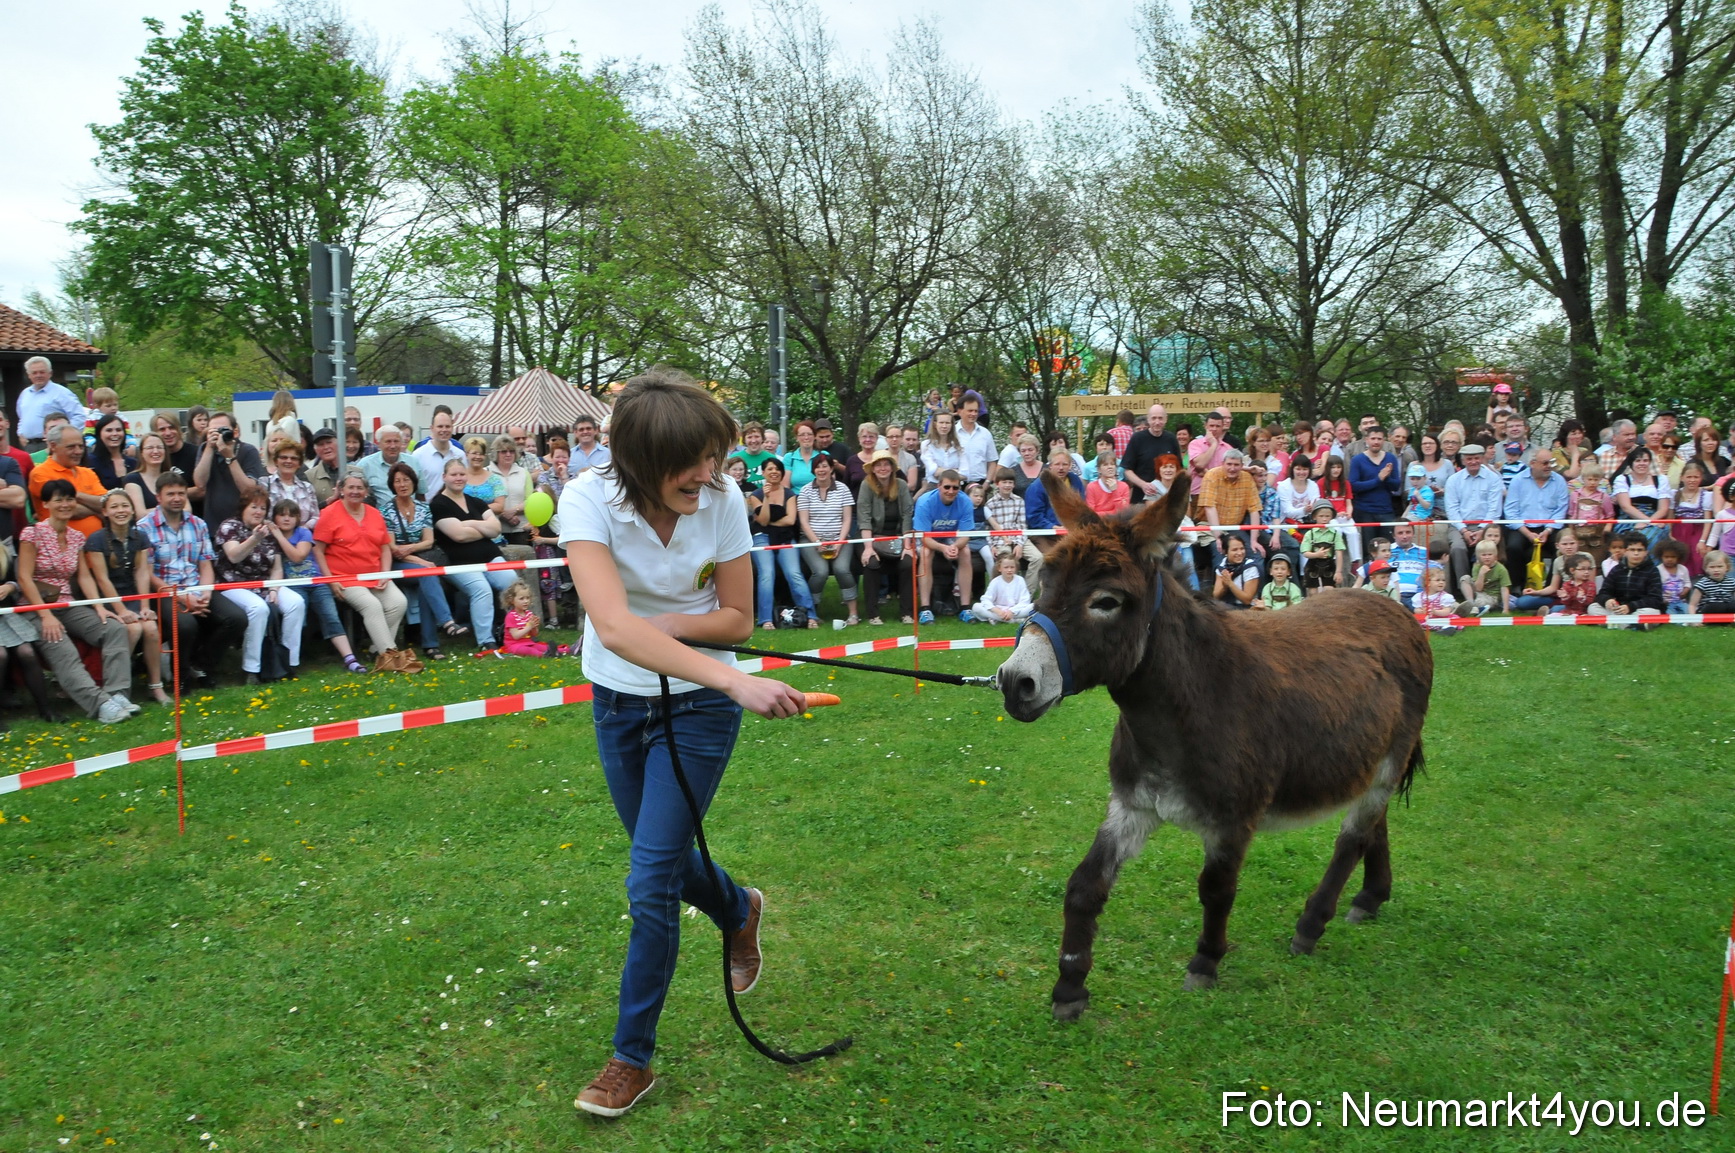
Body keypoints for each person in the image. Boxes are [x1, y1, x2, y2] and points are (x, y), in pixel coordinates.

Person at [554, 370, 805, 1118]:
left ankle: (630, 1059)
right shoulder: (586, 498)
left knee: (649, 880)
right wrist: (731, 679)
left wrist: (674, 636)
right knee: (659, 860)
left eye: (716, 457)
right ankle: (738, 906)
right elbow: (611, 625)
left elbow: (736, 620)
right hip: (618, 701)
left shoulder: (723, 501)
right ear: (638, 461)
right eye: (693, 462)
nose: (711, 475)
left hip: (696, 710)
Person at [17, 479, 135, 723]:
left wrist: (100, 608)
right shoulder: (32, 533)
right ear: (46, 503)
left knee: (113, 628)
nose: (65, 504)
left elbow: (84, 576)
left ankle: (118, 694)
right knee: (62, 646)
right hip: (36, 607)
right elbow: (24, 578)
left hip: (68, 603)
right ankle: (101, 705)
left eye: (69, 499)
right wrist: (45, 615)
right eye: (58, 499)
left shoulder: (77, 537)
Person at [137, 472, 245, 686]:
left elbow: (205, 564)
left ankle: (201, 665)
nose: (177, 498)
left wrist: (205, 592)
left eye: (180, 493)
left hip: (196, 586)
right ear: (158, 497)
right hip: (165, 591)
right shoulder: (144, 527)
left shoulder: (198, 524)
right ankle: (182, 676)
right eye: (170, 494)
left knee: (237, 618)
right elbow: (147, 574)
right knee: (185, 625)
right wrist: (182, 598)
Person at [316, 471, 416, 670]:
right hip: (344, 577)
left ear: (366, 491)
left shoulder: (374, 513)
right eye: (350, 487)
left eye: (359, 488)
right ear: (342, 490)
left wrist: (385, 573)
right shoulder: (329, 513)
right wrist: (330, 580)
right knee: (372, 606)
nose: (355, 491)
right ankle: (391, 656)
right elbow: (318, 550)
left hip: (375, 574)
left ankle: (375, 649)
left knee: (399, 602)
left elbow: (384, 547)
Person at [82, 489, 170, 704]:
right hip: (109, 599)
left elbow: (141, 572)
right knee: (132, 629)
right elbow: (102, 579)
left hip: (132, 595)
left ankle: (155, 686)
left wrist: (144, 606)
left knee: (150, 627)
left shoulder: (140, 536)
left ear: (132, 509)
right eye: (114, 507)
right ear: (105, 512)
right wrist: (121, 611)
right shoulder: (96, 540)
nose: (120, 511)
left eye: (124, 506)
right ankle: (116, 687)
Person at [215, 491, 307, 682]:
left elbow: (277, 567)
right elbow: (234, 556)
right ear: (243, 508)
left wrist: (274, 589)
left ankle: (287, 663)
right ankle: (252, 669)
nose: (258, 512)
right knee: (258, 609)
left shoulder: (269, 529)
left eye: (263, 508)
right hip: (233, 584)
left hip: (264, 583)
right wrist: (255, 539)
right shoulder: (229, 526)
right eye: (254, 507)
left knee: (296, 603)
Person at [269, 499, 365, 674]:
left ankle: (350, 659)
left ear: (298, 518)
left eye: (291, 515)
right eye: (281, 515)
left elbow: (297, 556)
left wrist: (279, 537)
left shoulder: (304, 533)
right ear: (274, 517)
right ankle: (290, 660)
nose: (286, 519)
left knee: (331, 617)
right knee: (299, 618)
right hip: (292, 585)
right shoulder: (269, 538)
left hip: (316, 582)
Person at [382, 461, 467, 659]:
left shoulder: (423, 508)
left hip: (418, 560)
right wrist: (419, 560)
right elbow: (393, 549)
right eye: (398, 481)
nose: (403, 484)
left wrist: (412, 549)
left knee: (426, 581)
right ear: (392, 485)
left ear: (414, 483)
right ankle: (446, 623)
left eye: (406, 480)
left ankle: (431, 644)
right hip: (396, 564)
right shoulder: (386, 510)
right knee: (427, 573)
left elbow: (428, 542)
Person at [430, 459, 516, 650]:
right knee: (481, 589)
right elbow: (458, 535)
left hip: (490, 556)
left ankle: (512, 631)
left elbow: (496, 529)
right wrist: (482, 527)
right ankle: (486, 640)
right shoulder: (438, 505)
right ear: (444, 477)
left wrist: (469, 523)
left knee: (511, 581)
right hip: (459, 563)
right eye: (453, 474)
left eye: (461, 474)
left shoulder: (476, 502)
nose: (458, 478)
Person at [747, 457, 816, 630]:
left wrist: (770, 521)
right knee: (766, 574)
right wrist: (767, 498)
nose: (774, 472)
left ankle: (810, 615)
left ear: (782, 473)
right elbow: (762, 521)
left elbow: (791, 520)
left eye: (777, 469)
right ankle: (765, 619)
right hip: (761, 536)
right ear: (763, 473)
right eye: (769, 469)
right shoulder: (756, 495)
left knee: (794, 573)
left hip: (784, 537)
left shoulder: (789, 494)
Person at [796, 452, 857, 624]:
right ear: (813, 470)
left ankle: (853, 612)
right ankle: (812, 612)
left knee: (842, 569)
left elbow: (847, 519)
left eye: (825, 466)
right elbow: (804, 522)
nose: (821, 470)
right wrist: (817, 542)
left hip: (840, 538)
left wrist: (839, 542)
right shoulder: (806, 490)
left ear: (831, 468)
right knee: (820, 572)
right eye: (818, 466)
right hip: (811, 539)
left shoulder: (843, 489)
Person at [856, 449, 914, 625]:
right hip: (871, 537)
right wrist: (868, 548)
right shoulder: (866, 485)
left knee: (907, 563)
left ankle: (907, 613)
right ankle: (873, 614)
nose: (883, 468)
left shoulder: (902, 485)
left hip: (896, 537)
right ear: (873, 469)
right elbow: (864, 518)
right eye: (878, 465)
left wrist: (908, 546)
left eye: (886, 464)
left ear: (892, 467)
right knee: (871, 563)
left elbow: (907, 515)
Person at [914, 469, 980, 622]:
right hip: (928, 536)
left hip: (950, 537)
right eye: (947, 487)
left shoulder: (964, 502)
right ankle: (925, 609)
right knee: (926, 553)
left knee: (966, 552)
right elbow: (924, 537)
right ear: (939, 486)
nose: (951, 491)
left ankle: (965, 607)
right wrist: (943, 548)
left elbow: (965, 534)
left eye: (955, 488)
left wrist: (955, 546)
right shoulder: (925, 502)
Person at [1502, 446, 1570, 586]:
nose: (1549, 466)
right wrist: (1527, 533)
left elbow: (1561, 510)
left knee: (1562, 546)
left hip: (1550, 527)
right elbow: (1510, 511)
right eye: (1545, 463)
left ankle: (1552, 586)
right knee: (1514, 547)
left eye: (1551, 462)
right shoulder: (1518, 481)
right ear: (1532, 464)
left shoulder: (1559, 481)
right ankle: (1516, 587)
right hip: (1522, 526)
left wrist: (1548, 530)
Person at [29, 424, 108, 536]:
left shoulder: (88, 473)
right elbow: (68, 509)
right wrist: (98, 511)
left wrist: (73, 495)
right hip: (58, 546)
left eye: (81, 446)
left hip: (95, 548)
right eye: (71, 447)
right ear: (53, 446)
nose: (78, 451)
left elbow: (106, 503)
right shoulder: (40, 473)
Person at [195, 411, 266, 537]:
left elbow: (249, 489)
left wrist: (230, 457)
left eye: (223, 430)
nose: (220, 435)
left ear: (235, 431)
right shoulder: (205, 449)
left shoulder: (248, 451)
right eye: (214, 431)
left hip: (243, 527)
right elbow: (200, 483)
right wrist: (209, 449)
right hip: (213, 527)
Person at [1443, 442, 1503, 589]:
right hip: (1459, 525)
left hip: (1487, 524)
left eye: (1476, 458)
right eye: (1469, 459)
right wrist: (1464, 530)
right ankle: (1465, 589)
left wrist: (1482, 529)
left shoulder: (1493, 478)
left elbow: (1494, 508)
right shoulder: (1453, 480)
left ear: (1482, 458)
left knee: (1489, 546)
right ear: (1463, 461)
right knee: (1458, 548)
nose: (1473, 462)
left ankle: (1490, 588)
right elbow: (1452, 509)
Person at [981, 466, 1043, 591]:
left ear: (1014, 485)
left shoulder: (1019, 501)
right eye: (1004, 482)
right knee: (1007, 559)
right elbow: (988, 528)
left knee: (1038, 558)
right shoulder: (990, 504)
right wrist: (992, 545)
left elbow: (1022, 525)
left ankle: (1027, 594)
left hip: (1019, 537)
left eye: (1010, 483)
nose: (1007, 485)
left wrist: (1019, 544)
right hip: (1000, 540)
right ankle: (1005, 593)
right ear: (997, 484)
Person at [1589, 533, 1666, 626]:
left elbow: (1655, 599)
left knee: (1653, 613)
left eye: (1640, 550)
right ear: (1625, 551)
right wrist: (1607, 601)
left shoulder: (1652, 571)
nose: (1636, 553)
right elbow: (1603, 593)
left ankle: (1616, 624)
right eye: (1632, 550)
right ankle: (1628, 625)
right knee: (1593, 608)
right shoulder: (1616, 570)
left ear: (1646, 552)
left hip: (1639, 610)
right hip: (1619, 610)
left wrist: (1631, 607)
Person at [15, 357, 86, 451]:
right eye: (34, 373)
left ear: (50, 373)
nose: (38, 375)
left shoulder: (62, 393)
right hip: (29, 446)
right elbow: (22, 418)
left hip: (53, 445)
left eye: (42, 372)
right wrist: (20, 433)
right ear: (29, 375)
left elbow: (79, 416)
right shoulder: (25, 394)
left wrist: (67, 437)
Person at [1025, 448, 1086, 556]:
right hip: (1044, 533)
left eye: (1065, 464)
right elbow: (1034, 517)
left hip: (1072, 532)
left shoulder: (1075, 481)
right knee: (1056, 557)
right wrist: (1053, 527)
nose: (1061, 468)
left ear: (1070, 465)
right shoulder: (1037, 486)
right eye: (1057, 464)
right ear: (1050, 466)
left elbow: (1082, 507)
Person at [1612, 449, 1673, 551]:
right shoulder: (1622, 479)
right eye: (1638, 461)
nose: (1642, 463)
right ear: (1631, 463)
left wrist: (1648, 522)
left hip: (1654, 518)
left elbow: (1663, 509)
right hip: (1628, 520)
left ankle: (1650, 566)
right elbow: (1625, 507)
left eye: (1645, 460)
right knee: (1630, 542)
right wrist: (1645, 521)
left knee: (1649, 538)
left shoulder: (1661, 479)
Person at [499, 579, 562, 656]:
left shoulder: (529, 614)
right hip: (514, 645)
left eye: (527, 598)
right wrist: (529, 626)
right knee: (529, 650)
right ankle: (545, 655)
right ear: (512, 600)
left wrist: (534, 627)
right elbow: (516, 636)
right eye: (521, 599)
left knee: (542, 647)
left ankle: (568, 650)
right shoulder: (511, 616)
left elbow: (534, 634)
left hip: (528, 642)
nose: (526, 601)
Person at [412, 407, 465, 495]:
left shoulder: (460, 454)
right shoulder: (418, 455)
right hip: (428, 507)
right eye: (440, 426)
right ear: (431, 428)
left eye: (447, 426)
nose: (444, 430)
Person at [358, 425, 413, 507]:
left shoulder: (413, 462)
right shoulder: (365, 465)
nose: (393, 446)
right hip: (379, 516)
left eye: (396, 441)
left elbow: (421, 494)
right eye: (388, 442)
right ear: (379, 444)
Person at [971, 552, 1033, 623]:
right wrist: (997, 611)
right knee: (976, 607)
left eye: (1012, 567)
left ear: (1015, 568)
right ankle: (1012, 620)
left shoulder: (1020, 580)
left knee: (1033, 607)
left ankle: (998, 619)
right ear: (999, 568)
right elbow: (986, 599)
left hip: (1016, 610)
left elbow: (1025, 600)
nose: (1009, 570)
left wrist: (1012, 611)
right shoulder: (995, 582)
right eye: (1006, 567)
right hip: (999, 610)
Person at [121, 432, 172, 519]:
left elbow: (187, 509)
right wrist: (173, 510)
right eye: (150, 448)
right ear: (141, 453)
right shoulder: (132, 479)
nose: (155, 451)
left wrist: (151, 511)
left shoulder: (172, 478)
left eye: (159, 447)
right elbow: (140, 514)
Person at [1457, 538, 1512, 616]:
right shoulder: (1477, 566)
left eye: (1490, 554)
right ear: (1478, 556)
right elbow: (1478, 588)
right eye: (1484, 555)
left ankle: (1477, 608)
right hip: (1479, 591)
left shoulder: (1501, 569)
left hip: (1492, 596)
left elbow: (1505, 589)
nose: (1487, 557)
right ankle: (1470, 603)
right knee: (1464, 578)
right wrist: (1481, 574)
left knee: (1480, 602)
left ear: (1495, 555)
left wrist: (1506, 609)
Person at [1300, 500, 1345, 590]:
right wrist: (1316, 555)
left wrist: (1338, 571)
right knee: (1312, 591)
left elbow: (1339, 553)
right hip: (1312, 564)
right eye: (1321, 516)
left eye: (1327, 516)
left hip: (1329, 564)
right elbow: (1305, 552)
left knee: (1329, 590)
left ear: (1331, 517)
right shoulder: (1310, 534)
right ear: (1314, 517)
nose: (1324, 519)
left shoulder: (1335, 534)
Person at [954, 395, 996, 485]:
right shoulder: (952, 433)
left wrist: (987, 483)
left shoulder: (985, 434)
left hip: (980, 485)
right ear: (959, 411)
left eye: (976, 411)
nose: (973, 414)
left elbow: (992, 461)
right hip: (956, 485)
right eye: (970, 410)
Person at [1212, 535, 1261, 609]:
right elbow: (1216, 596)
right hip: (1226, 606)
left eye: (1242, 549)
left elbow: (1247, 600)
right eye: (1234, 550)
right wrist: (1225, 586)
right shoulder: (1222, 567)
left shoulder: (1250, 567)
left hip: (1246, 609)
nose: (1240, 553)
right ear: (1225, 552)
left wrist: (1230, 584)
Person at [88, 413, 135, 491]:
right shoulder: (90, 462)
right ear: (99, 434)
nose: (115, 434)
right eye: (109, 430)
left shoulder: (133, 463)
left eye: (118, 430)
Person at [919, 412, 963, 490]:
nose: (944, 426)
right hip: (934, 487)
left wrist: (941, 471)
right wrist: (955, 471)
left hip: (955, 487)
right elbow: (934, 472)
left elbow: (965, 474)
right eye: (941, 422)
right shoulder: (926, 445)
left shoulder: (959, 445)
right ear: (935, 424)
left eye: (947, 423)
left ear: (952, 425)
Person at [1689, 550, 1734, 618]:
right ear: (1706, 568)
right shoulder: (1702, 583)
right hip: (1708, 610)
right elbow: (1692, 605)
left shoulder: (1732, 582)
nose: (1716, 570)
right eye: (1712, 567)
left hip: (1726, 609)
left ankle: (1727, 620)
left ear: (1727, 567)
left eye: (1720, 566)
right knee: (1717, 606)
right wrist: (1693, 620)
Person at [306, 427, 344, 508]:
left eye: (329, 442)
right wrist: (330, 500)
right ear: (315, 450)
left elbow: (369, 499)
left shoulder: (356, 471)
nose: (326, 447)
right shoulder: (309, 476)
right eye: (321, 444)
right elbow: (308, 509)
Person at [1085, 452, 1131, 517]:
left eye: (1112, 464)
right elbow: (1091, 513)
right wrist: (1113, 513)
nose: (1110, 467)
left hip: (1118, 523)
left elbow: (1124, 512)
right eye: (1105, 465)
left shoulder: (1124, 486)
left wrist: (1115, 491)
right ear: (1099, 470)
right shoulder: (1091, 487)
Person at [736, 422, 776, 487]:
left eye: (757, 436)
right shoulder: (735, 459)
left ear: (763, 438)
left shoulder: (771, 459)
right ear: (744, 439)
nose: (753, 440)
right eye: (749, 437)